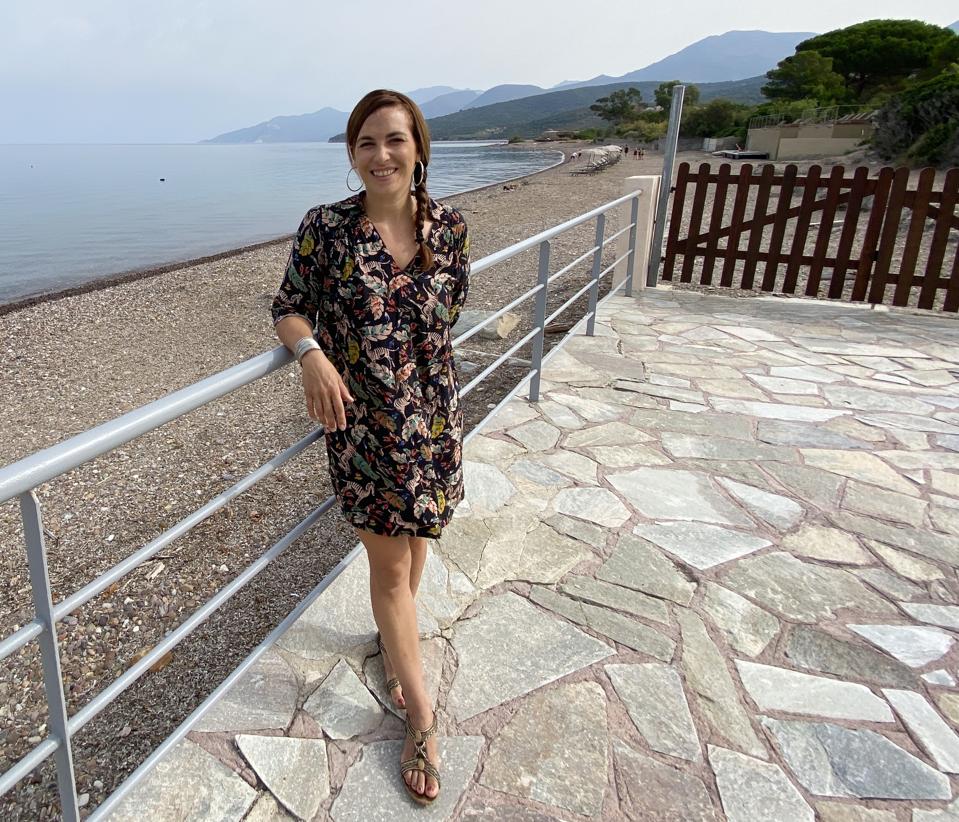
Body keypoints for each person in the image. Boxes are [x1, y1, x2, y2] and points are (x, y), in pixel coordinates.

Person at [271, 89, 470, 806]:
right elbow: (288, 306)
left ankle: (395, 645)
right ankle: (420, 718)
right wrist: (312, 357)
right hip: (364, 428)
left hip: (435, 419)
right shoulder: (326, 228)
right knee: (389, 567)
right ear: (352, 154)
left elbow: (446, 317)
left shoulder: (450, 227)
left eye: (394, 140)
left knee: (417, 547)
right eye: (365, 142)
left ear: (418, 148)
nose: (380, 155)